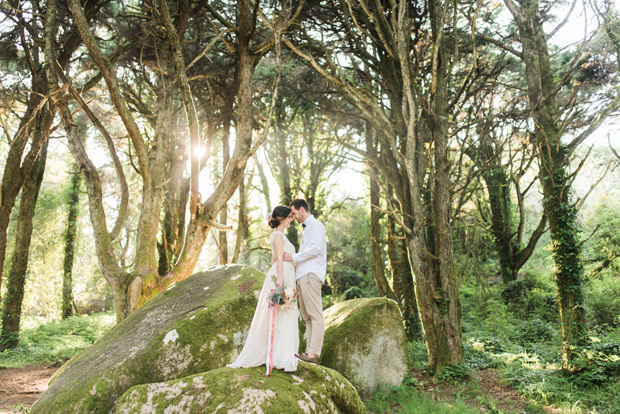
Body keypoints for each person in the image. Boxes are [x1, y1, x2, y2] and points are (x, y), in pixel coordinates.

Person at [227, 206, 299, 373]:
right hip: (282, 275)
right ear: (281, 219)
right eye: (289, 217)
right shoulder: (278, 236)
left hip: (284, 273)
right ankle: (280, 356)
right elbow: (279, 260)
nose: (291, 220)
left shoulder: (277, 236)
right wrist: (280, 280)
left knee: (285, 311)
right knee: (283, 312)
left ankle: (283, 354)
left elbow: (273, 260)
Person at [283, 199, 327, 365]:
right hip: (302, 275)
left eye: (294, 213)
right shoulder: (308, 229)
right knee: (307, 317)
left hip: (311, 274)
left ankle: (313, 352)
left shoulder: (316, 225)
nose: (293, 217)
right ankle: (309, 352)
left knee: (315, 315)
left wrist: (293, 258)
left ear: (302, 210)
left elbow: (315, 249)